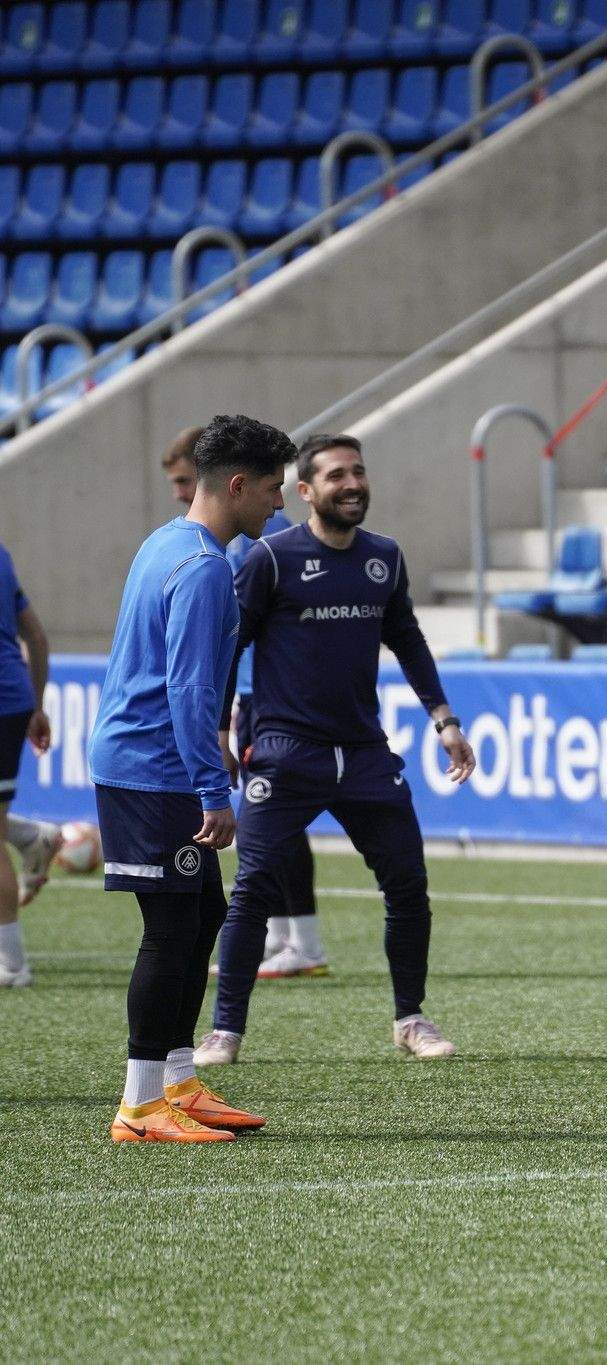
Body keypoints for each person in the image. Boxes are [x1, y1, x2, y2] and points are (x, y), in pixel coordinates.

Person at [194, 434, 475, 1067]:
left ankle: (411, 1020)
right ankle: (224, 1033)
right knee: (254, 891)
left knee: (408, 887)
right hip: (285, 754)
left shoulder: (384, 557)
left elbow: (407, 638)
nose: (352, 484)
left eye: (359, 472)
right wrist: (218, 733)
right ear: (305, 491)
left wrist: (444, 719)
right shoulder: (270, 558)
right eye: (336, 475)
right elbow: (227, 647)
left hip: (366, 756)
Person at [91, 413, 293, 1143]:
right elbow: (187, 690)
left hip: (148, 763)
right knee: (173, 929)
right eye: (273, 489)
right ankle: (140, 1105)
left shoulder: (167, 540)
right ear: (237, 485)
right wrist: (214, 790)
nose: (281, 504)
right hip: (155, 770)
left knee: (202, 914)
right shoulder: (206, 567)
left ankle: (178, 1082)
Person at [167, 425, 326, 979]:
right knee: (267, 817)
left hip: (269, 696)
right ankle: (283, 937)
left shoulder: (262, 536)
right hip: (254, 697)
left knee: (275, 816)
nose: (179, 493)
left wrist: (227, 716)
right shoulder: (214, 543)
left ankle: (302, 939)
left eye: (185, 480)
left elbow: (253, 631)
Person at [0, 535, 55, 985]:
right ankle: (30, 837)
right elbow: (34, 633)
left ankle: (12, 963)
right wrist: (36, 705)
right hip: (13, 698)